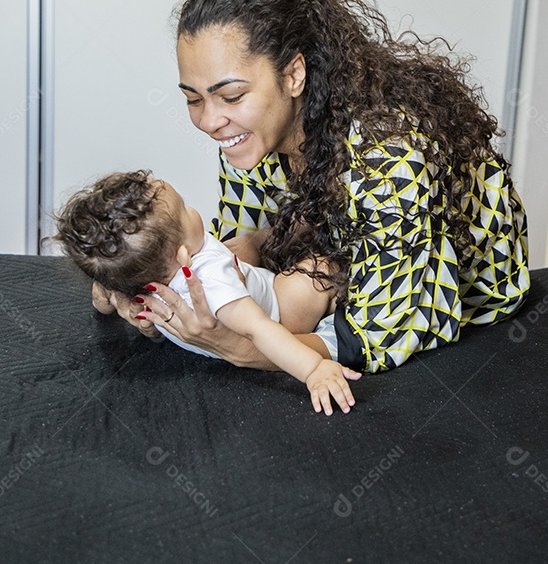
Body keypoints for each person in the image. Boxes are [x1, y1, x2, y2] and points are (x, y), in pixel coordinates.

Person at [93, 0, 531, 375]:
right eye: (193, 99)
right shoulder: (248, 136)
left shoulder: (389, 156)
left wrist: (235, 349)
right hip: (342, 261)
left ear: (293, 75)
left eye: (231, 97)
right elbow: (242, 264)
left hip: (445, 294)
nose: (209, 121)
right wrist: (156, 291)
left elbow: (379, 334)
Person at [55, 170, 361, 415]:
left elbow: (106, 295)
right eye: (186, 209)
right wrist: (313, 369)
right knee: (318, 269)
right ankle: (330, 304)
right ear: (183, 255)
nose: (193, 210)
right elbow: (260, 330)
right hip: (280, 312)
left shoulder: (130, 282)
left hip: (226, 313)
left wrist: (103, 298)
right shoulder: (211, 276)